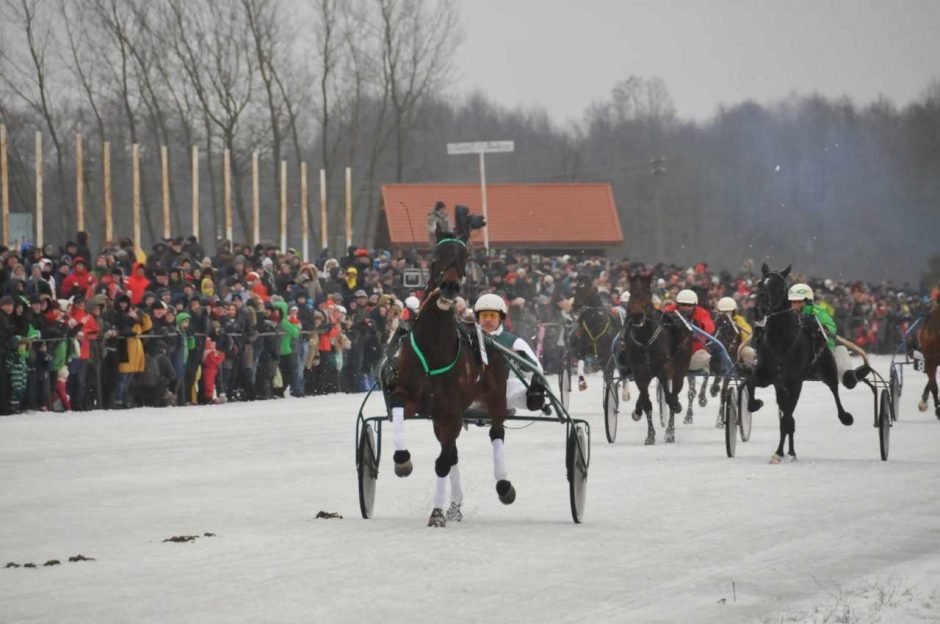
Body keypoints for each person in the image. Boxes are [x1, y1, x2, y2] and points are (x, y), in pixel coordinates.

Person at [787, 283, 871, 388]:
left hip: (821, 357)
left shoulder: (817, 311)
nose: (795, 305)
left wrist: (824, 328)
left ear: (808, 301)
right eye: (792, 302)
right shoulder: (785, 315)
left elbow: (830, 325)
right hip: (795, 358)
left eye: (799, 302)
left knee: (840, 349)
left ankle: (848, 377)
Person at [473, 293, 545, 412]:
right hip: (473, 387)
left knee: (516, 385)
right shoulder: (467, 339)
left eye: (492, 315)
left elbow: (538, 372)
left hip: (504, 391)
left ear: (500, 318)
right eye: (484, 315)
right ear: (478, 318)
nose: (488, 320)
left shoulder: (514, 342)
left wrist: (520, 358)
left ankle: (533, 398)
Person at [665, 289, 715, 372]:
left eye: (689, 305)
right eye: (683, 305)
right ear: (677, 304)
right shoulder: (668, 311)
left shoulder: (702, 313)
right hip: (671, 354)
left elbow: (709, 326)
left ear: (695, 305)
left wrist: (701, 327)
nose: (686, 308)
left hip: (694, 353)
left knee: (706, 358)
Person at [716, 296, 756, 367]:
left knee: (749, 352)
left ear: (733, 311)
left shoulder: (739, 320)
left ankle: (746, 372)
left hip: (737, 350)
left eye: (728, 311)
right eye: (723, 312)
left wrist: (736, 328)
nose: (726, 314)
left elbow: (747, 334)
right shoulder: (715, 322)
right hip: (719, 351)